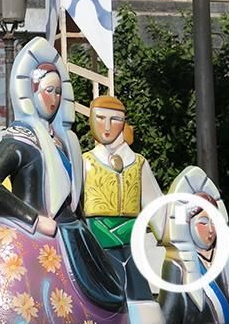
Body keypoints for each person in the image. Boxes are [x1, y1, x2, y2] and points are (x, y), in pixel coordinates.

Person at [0, 37, 126, 323]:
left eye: (58, 92)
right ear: (32, 92)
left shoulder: (64, 142)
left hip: (73, 238)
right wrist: (33, 219)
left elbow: (74, 197)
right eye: (48, 90)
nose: (54, 98)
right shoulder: (22, 138)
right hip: (35, 238)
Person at [82, 95, 165, 321]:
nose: (107, 126)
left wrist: (170, 237)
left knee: (141, 299)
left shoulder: (137, 162)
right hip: (99, 243)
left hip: (133, 243)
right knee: (105, 300)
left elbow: (156, 205)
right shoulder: (84, 162)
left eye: (115, 119)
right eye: (100, 118)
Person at [159, 167, 229, 323]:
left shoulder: (227, 262)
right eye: (204, 222)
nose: (211, 230)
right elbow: (169, 314)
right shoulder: (177, 265)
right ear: (189, 223)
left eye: (214, 222)